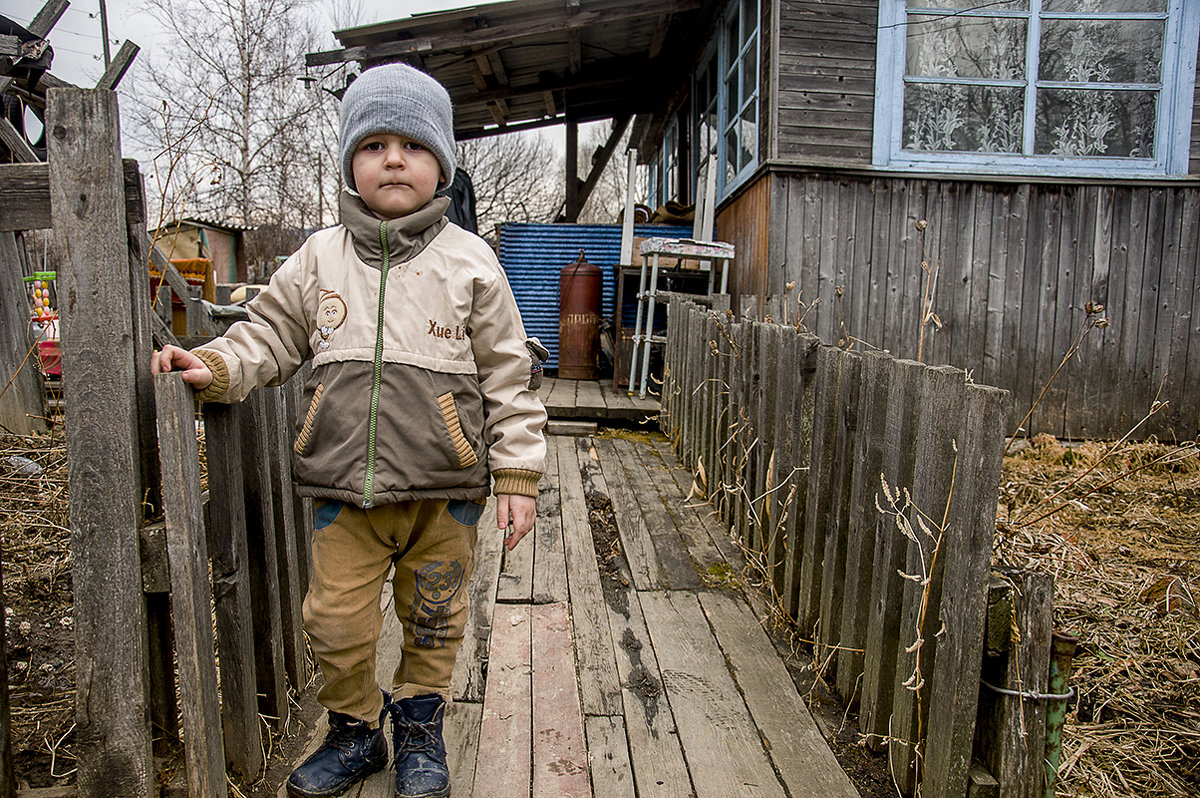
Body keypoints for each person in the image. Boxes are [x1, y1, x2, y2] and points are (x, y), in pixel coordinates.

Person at [151, 63, 547, 798]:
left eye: (413, 145)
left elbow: (509, 379)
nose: (393, 159)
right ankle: (357, 730)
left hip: (445, 494)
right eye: (373, 145)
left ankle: (421, 729)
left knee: (434, 619)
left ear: (442, 165)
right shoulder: (318, 257)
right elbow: (266, 336)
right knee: (333, 621)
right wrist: (215, 365)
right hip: (343, 492)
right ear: (348, 163)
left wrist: (518, 477)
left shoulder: (472, 263)